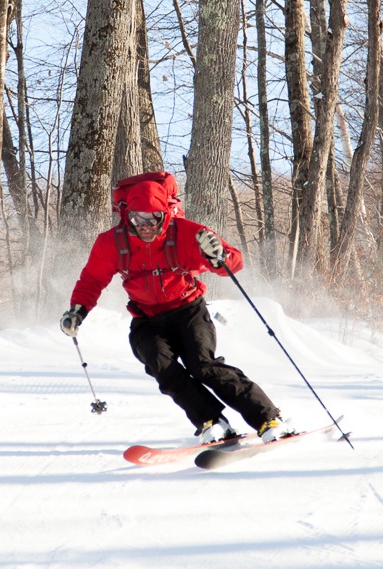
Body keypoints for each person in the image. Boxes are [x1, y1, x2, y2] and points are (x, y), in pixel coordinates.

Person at [59, 178, 293, 444]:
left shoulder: (186, 233)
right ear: (127, 216)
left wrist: (220, 257)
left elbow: (233, 263)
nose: (145, 226)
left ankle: (268, 418)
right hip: (146, 318)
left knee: (203, 365)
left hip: (187, 310)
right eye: (138, 219)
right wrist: (78, 311)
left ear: (165, 215)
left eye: (153, 219)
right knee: (162, 366)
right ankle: (211, 422)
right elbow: (92, 280)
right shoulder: (112, 243)